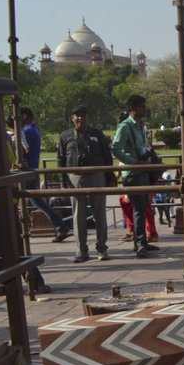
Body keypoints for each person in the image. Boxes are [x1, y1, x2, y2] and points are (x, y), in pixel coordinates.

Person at [0, 115, 49, 296]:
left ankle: (35, 281)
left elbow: (12, 164)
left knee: (15, 244)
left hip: (3, 202)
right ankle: (2, 282)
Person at [57, 104, 113, 262]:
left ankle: (102, 248)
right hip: (75, 176)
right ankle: (81, 250)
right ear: (72, 118)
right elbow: (60, 159)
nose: (80, 118)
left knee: (100, 214)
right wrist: (62, 180)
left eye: (83, 115)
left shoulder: (97, 134)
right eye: (77, 115)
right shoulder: (66, 135)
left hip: (96, 175)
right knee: (78, 215)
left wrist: (110, 177)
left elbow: (106, 156)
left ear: (89, 117)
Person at [112, 94, 159, 259]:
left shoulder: (139, 126)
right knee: (139, 209)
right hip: (133, 173)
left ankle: (142, 242)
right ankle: (140, 244)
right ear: (133, 108)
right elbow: (116, 148)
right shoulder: (125, 127)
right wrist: (133, 162)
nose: (144, 109)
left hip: (142, 171)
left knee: (143, 208)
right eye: (142, 106)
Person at [20, 106, 72, 242]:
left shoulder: (27, 131)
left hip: (26, 172)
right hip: (33, 170)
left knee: (17, 201)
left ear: (24, 116)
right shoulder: (33, 130)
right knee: (38, 203)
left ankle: (18, 231)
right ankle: (60, 227)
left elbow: (22, 151)